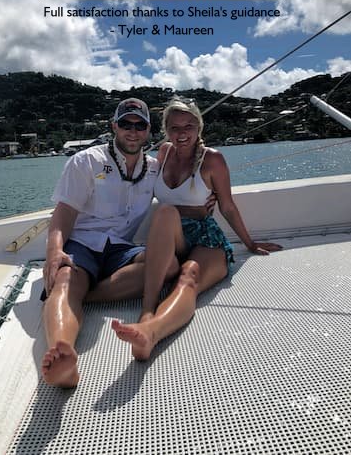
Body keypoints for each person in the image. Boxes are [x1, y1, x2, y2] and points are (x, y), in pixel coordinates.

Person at [111, 98, 282, 360]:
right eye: (175, 127)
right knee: (166, 212)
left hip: (205, 238)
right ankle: (147, 310)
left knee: (189, 273)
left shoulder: (213, 160)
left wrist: (249, 243)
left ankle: (150, 333)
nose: (182, 134)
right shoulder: (164, 153)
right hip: (173, 237)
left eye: (189, 126)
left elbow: (227, 207)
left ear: (199, 127)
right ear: (166, 130)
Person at [41, 98, 181, 388]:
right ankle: (62, 354)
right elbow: (65, 212)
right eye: (126, 124)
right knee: (65, 277)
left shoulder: (154, 169)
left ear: (148, 130)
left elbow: (183, 186)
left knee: (169, 265)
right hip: (82, 242)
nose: (133, 131)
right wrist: (55, 250)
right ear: (114, 126)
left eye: (140, 125)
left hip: (121, 248)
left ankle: (86, 294)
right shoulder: (87, 161)